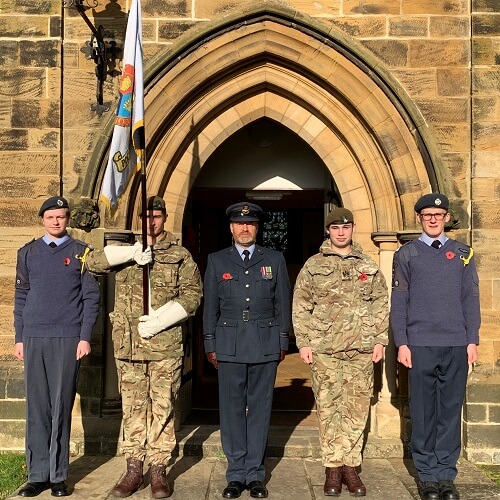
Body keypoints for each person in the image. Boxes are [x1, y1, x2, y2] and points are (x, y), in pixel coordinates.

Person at [86, 196, 202, 499]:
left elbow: (193, 295)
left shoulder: (179, 255)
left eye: (158, 216)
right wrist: (127, 253)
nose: (152, 222)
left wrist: (166, 317)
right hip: (130, 347)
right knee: (134, 409)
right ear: (141, 219)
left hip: (164, 347)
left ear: (164, 219)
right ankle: (134, 469)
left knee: (163, 407)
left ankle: (159, 469)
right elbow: (92, 262)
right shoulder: (128, 252)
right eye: (147, 216)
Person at [292, 207, 389, 497]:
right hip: (325, 350)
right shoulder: (313, 265)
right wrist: (304, 342)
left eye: (346, 227)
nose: (341, 232)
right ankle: (333, 467)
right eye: (335, 228)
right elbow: (301, 305)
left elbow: (380, 303)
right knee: (329, 408)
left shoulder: (368, 266)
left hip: (361, 349)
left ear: (353, 229)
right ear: (329, 231)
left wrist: (380, 340)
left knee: (357, 408)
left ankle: (351, 465)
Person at [390, 193, 480, 500]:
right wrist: (402, 343)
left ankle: (446, 474)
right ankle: (427, 475)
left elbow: (471, 298)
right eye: (427, 215)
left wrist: (472, 339)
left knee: (450, 411)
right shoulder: (406, 254)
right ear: (419, 218)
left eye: (438, 215)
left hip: (455, 343)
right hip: (420, 345)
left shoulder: (463, 253)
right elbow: (399, 302)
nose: (432, 219)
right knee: (424, 411)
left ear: (445, 219)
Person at [203, 202, 291, 499]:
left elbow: (283, 304)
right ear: (231, 228)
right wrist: (210, 343)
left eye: (251, 224)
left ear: (257, 227)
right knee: (231, 412)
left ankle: (254, 474)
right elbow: (210, 307)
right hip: (229, 345)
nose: (245, 228)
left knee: (260, 410)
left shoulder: (274, 259)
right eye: (240, 224)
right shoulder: (217, 260)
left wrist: (282, 341)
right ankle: (235, 474)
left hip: (264, 343)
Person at [14, 196, 100, 497]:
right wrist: (20, 337)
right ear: (42, 219)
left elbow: (91, 299)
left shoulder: (81, 253)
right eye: (50, 217)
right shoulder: (27, 253)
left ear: (67, 220)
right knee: (37, 407)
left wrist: (85, 336)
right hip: (34, 337)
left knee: (61, 405)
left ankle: (59, 475)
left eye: (61, 217)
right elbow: (21, 297)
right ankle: (37, 475)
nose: (56, 221)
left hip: (67, 337)